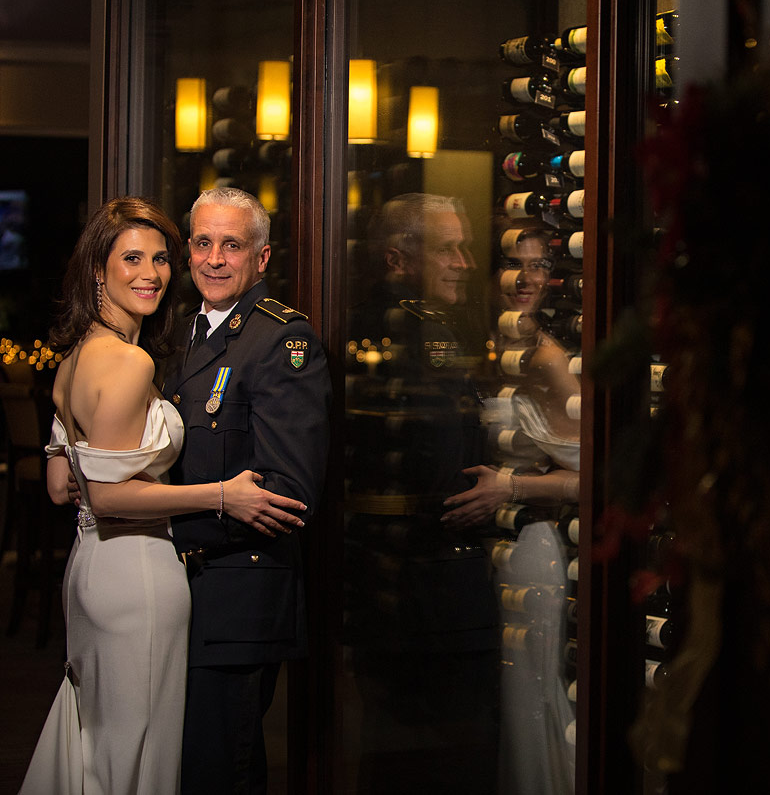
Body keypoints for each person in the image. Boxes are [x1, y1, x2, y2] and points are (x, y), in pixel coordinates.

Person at [18, 196, 308, 795]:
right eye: (201, 244)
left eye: (159, 258)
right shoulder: (137, 353)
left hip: (117, 572)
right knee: (136, 754)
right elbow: (105, 492)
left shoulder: (90, 352)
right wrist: (219, 495)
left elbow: (61, 478)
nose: (152, 272)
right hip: (137, 575)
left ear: (262, 258)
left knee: (108, 744)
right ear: (99, 269)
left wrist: (74, 464)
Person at [162, 186, 331, 795]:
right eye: (203, 243)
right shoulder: (176, 335)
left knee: (221, 772)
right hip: (178, 590)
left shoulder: (282, 341)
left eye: (231, 245)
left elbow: (289, 493)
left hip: (237, 595)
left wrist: (162, 521)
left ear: (260, 258)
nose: (214, 259)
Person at [344, 193, 501, 793]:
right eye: (448, 248)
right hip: (427, 584)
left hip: (383, 581)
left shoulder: (365, 322)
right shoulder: (420, 333)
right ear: (397, 259)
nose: (464, 261)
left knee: (389, 749)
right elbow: (442, 467)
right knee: (443, 754)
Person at [439, 228, 580, 528]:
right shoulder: (469, 343)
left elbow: (590, 476)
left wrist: (510, 487)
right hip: (465, 537)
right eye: (513, 264)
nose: (526, 279)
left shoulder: (546, 360)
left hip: (521, 538)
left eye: (539, 266)